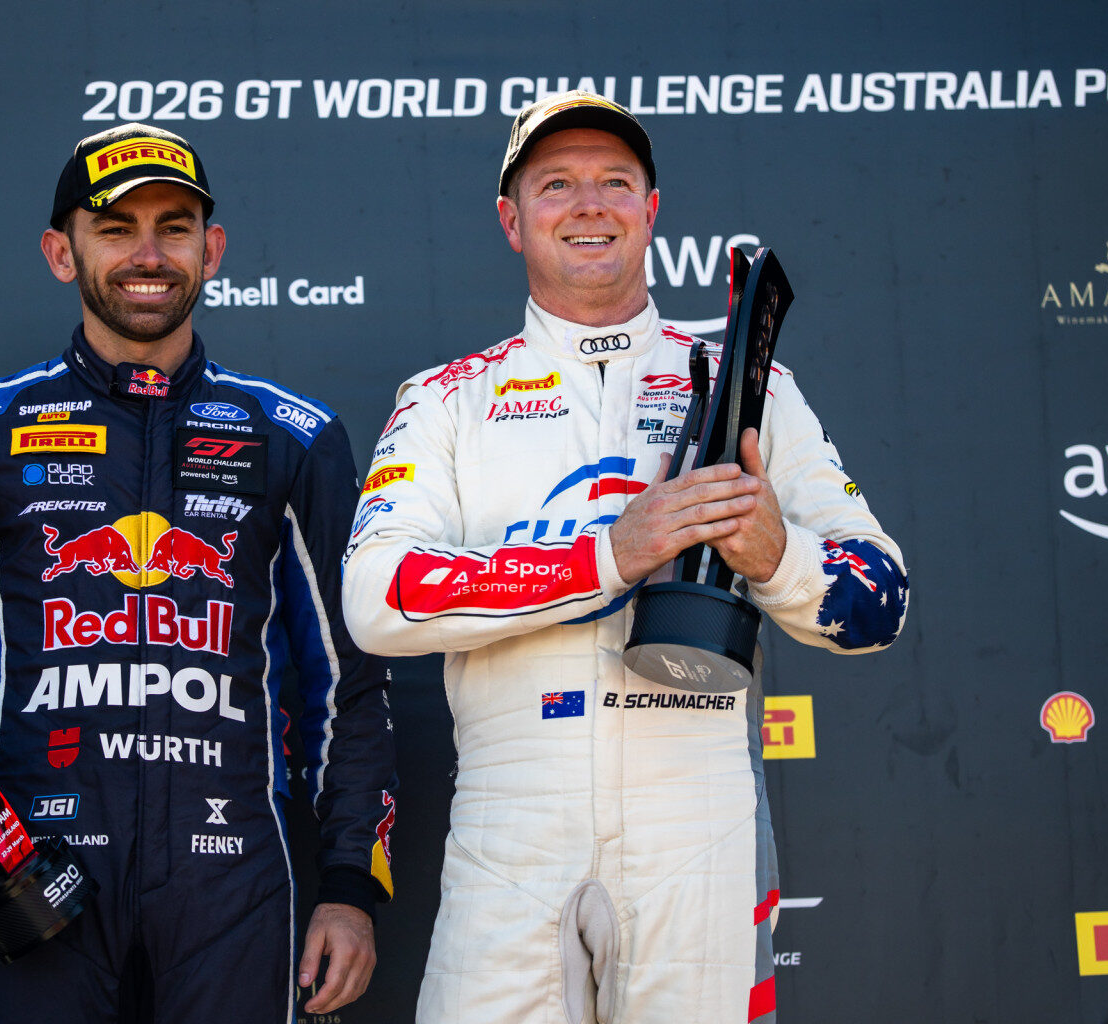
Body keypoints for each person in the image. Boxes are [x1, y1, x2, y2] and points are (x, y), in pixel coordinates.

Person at [341, 91, 908, 1024]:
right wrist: (610, 554)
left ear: (652, 208)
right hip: (510, 815)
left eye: (615, 181)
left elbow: (880, 602)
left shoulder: (752, 382)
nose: (589, 203)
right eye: (556, 183)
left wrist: (779, 558)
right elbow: (376, 599)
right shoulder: (447, 399)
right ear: (511, 219)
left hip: (697, 807)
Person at [0, 123, 397, 1023]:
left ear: (211, 251)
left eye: (175, 228)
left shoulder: (294, 437)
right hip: (31, 865)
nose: (149, 253)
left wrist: (348, 888)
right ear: (63, 253)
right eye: (115, 227)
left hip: (237, 876)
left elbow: (349, 681)